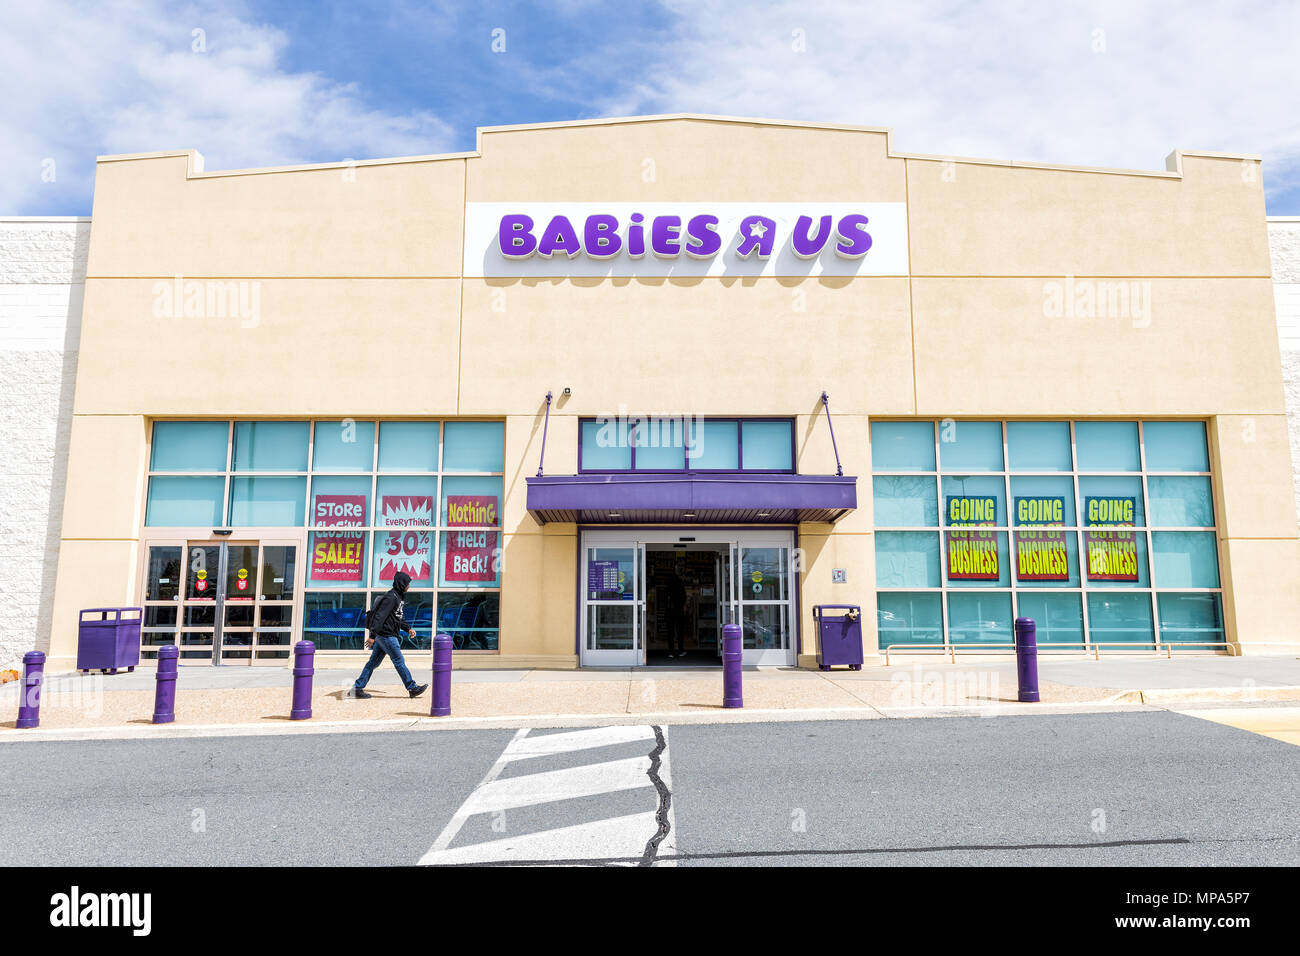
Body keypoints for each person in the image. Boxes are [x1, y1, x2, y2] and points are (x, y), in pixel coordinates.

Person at [352, 570, 429, 699]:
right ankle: (412, 687)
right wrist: (372, 636)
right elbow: (379, 617)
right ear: (401, 584)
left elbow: (398, 617)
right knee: (399, 661)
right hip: (386, 635)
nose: (409, 586)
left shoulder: (399, 597)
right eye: (407, 584)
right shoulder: (390, 597)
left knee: (373, 663)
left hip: (385, 636)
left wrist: (408, 628)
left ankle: (357, 688)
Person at [665, 569, 688, 659]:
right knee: (680, 632)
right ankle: (680, 650)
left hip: (670, 612)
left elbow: (664, 599)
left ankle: (671, 652)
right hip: (679, 612)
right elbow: (684, 598)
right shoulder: (680, 587)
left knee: (670, 633)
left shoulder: (668, 587)